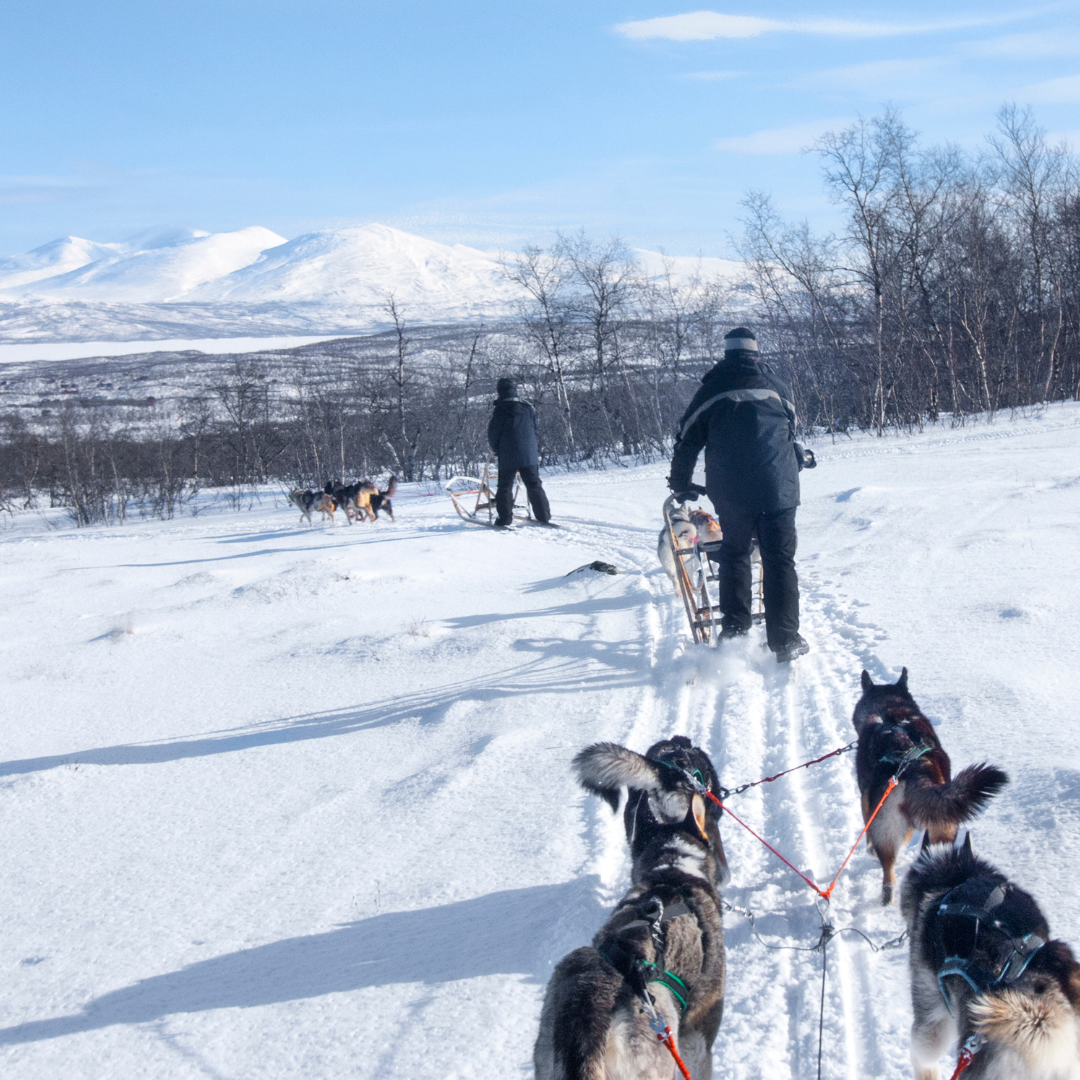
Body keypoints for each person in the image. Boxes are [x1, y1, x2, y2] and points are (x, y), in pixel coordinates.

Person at [667, 327, 816, 662]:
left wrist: (680, 485)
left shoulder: (712, 389)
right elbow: (791, 430)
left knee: (735, 556)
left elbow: (687, 440)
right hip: (780, 488)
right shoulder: (778, 386)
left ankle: (735, 633)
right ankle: (786, 640)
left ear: (727, 355)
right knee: (779, 560)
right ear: (756, 354)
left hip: (732, 492)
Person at [487, 377, 552, 527]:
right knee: (534, 484)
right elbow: (535, 428)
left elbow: (493, 433)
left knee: (505, 486)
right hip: (529, 453)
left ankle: (504, 519)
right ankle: (543, 516)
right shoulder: (527, 406)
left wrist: (496, 448)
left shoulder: (500, 409)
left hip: (507, 454)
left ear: (499, 391)